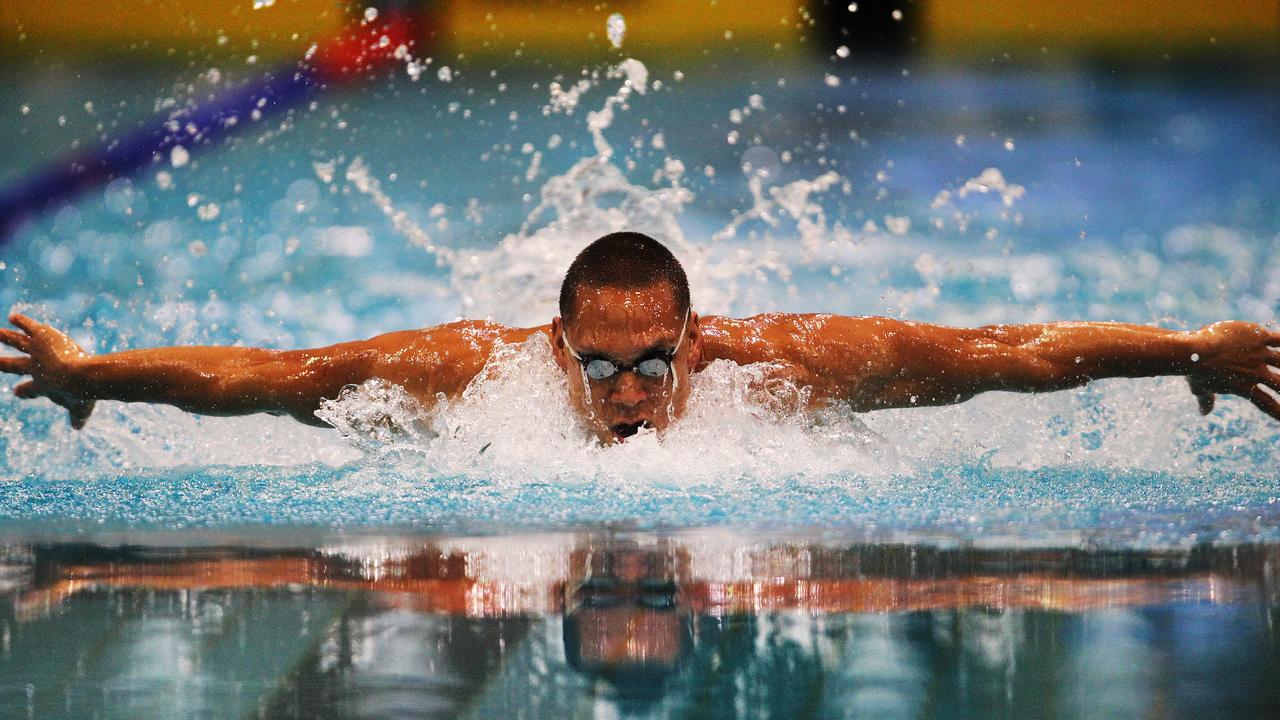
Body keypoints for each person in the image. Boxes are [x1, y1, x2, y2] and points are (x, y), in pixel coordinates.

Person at [2, 231, 1278, 443]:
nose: (628, 395)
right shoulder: (472, 372)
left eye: (651, 364)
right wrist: (84, 376)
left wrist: (1184, 349)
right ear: (556, 347)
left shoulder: (787, 364)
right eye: (600, 366)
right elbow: (270, 378)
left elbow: (1010, 353)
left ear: (691, 340)